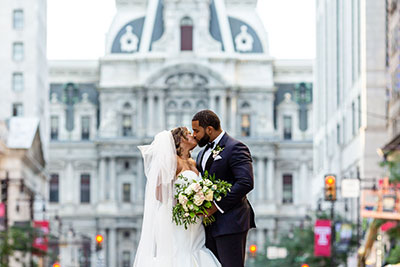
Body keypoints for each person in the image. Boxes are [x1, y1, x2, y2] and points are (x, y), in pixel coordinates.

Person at [133, 127, 221, 267]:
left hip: (195, 218)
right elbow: (159, 194)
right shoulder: (173, 161)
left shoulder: (193, 162)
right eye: (188, 134)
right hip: (177, 217)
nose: (193, 136)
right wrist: (184, 201)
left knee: (195, 248)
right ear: (181, 140)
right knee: (179, 251)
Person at [192, 110, 256, 267]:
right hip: (207, 226)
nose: (194, 135)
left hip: (231, 222)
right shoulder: (201, 154)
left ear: (209, 129)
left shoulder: (236, 147)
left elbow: (245, 182)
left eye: (196, 131)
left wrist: (216, 207)